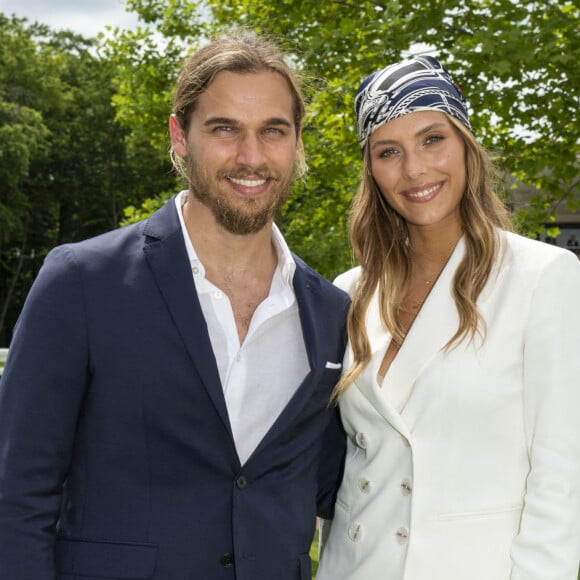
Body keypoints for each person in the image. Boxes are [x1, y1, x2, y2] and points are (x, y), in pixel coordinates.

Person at [0, 32, 349, 580]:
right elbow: (15, 495)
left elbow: (338, 484)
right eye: (225, 128)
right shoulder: (82, 282)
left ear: (298, 141)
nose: (252, 157)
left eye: (273, 131)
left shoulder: (330, 311)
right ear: (180, 136)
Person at [316, 56, 580, 580]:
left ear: (464, 144)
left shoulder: (543, 277)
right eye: (389, 151)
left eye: (432, 139)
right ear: (371, 169)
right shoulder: (349, 292)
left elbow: (562, 478)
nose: (415, 169)